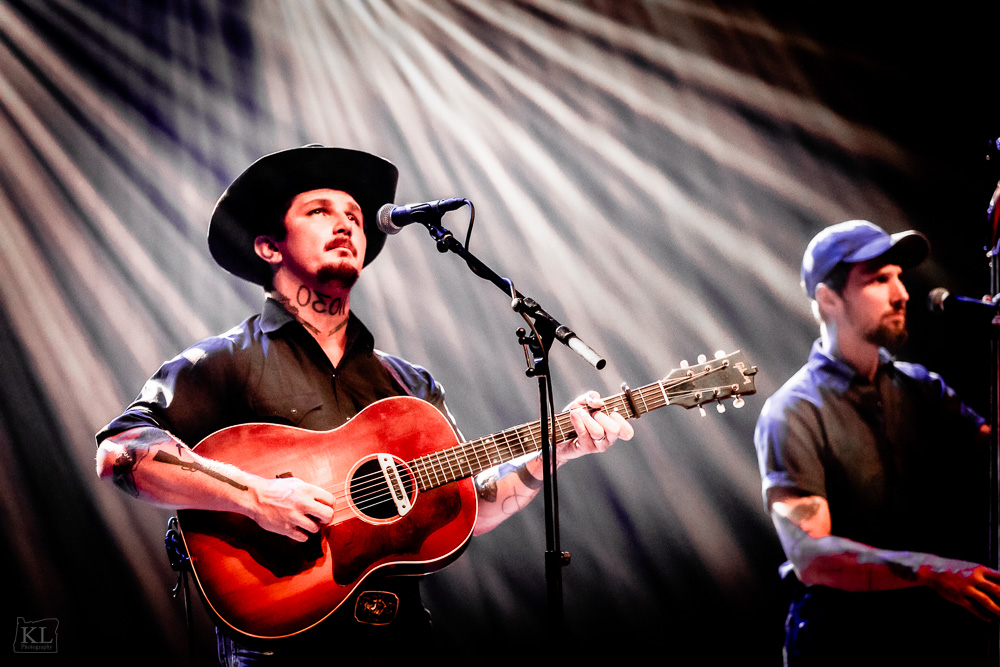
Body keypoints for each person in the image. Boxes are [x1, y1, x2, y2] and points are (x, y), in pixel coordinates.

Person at [94, 145, 633, 664]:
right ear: (268, 246)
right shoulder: (220, 363)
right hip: (276, 651)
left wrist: (558, 449)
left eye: (354, 214)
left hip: (400, 643)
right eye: (320, 210)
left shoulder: (408, 384)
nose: (347, 223)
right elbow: (120, 451)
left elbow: (471, 506)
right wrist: (256, 495)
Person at [754, 219, 1000, 666]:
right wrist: (932, 571)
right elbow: (809, 554)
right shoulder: (792, 411)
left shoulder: (922, 387)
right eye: (879, 279)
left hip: (927, 638)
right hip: (840, 648)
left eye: (899, 277)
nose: (902, 293)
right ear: (828, 299)